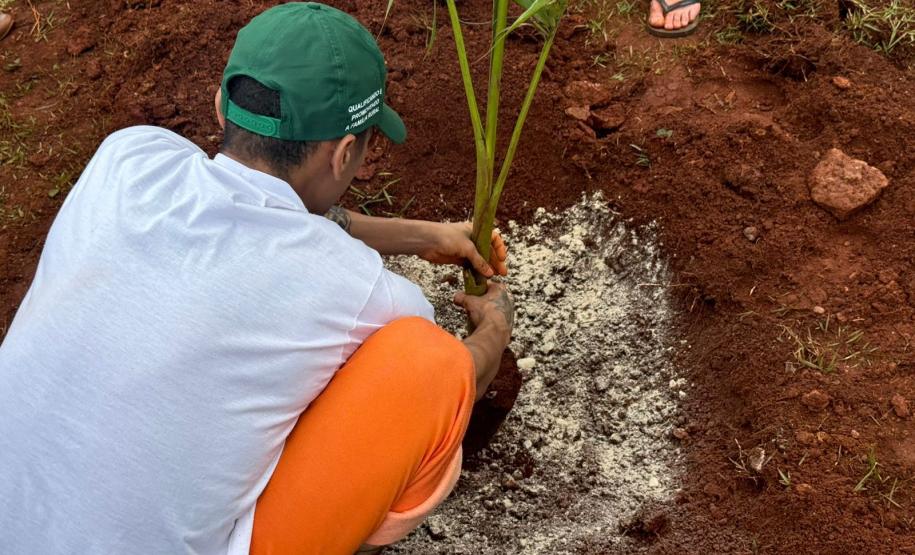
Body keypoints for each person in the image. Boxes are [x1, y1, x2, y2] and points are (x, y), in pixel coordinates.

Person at [0, 3, 514, 554]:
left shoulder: (129, 156)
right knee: (426, 363)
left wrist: (423, 236)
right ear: (345, 155)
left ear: (222, 106)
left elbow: (255, 208)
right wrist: (494, 330)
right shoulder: (361, 292)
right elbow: (459, 379)